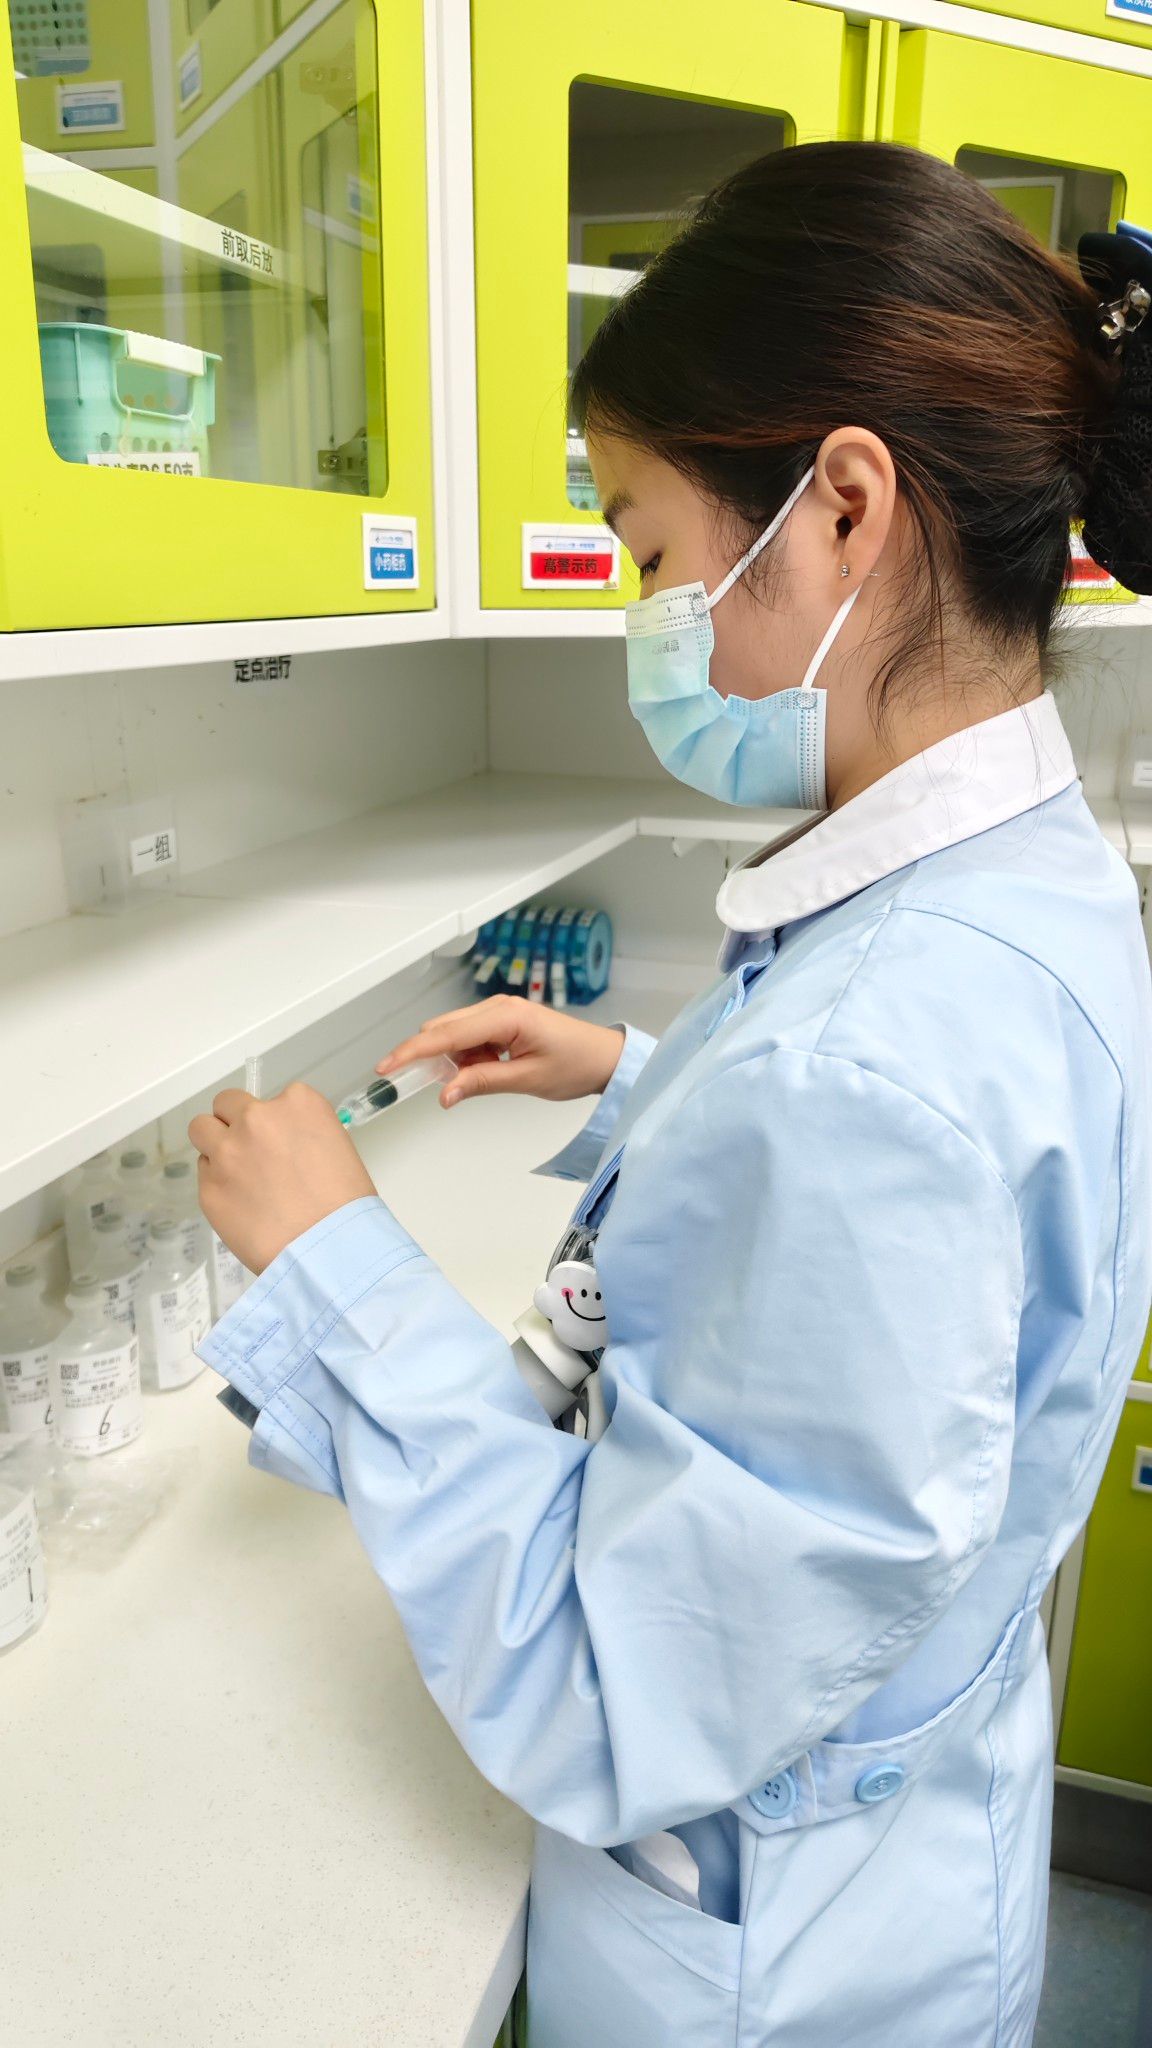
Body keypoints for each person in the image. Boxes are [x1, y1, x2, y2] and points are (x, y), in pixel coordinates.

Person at [191, 143, 1152, 2046]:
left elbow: (614, 1687)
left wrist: (334, 1266)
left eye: (647, 552)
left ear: (845, 506)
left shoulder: (871, 1064)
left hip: (761, 1965)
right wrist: (646, 1075)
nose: (645, 614)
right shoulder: (1025, 874)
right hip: (898, 1865)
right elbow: (921, 1243)